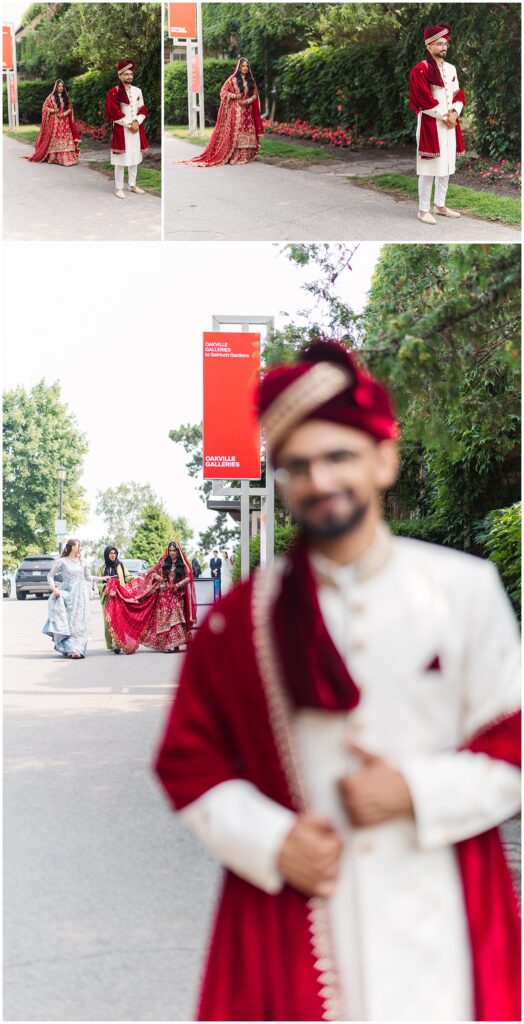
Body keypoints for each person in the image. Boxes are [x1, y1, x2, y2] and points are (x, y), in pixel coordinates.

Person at [154, 340, 521, 1022]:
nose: (319, 479)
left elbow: (515, 744)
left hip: (440, 918)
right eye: (297, 465)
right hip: (298, 921)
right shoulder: (246, 619)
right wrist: (269, 840)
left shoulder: (462, 591)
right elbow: (187, 758)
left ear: (385, 458)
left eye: (339, 456)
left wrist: (413, 789)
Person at [409, 24, 466, 224]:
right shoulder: (420, 69)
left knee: (447, 166)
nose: (444, 47)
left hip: (449, 124)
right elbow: (422, 100)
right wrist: (445, 115)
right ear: (429, 45)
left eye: (445, 44)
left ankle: (440, 205)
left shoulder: (451, 69)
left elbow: (458, 94)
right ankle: (423, 210)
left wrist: (455, 113)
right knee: (428, 169)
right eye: (439, 44)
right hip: (430, 125)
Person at [104, 541, 197, 654]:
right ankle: (168, 644)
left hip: (176, 595)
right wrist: (159, 578)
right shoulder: (163, 562)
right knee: (164, 620)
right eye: (170, 550)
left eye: (174, 550)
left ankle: (174, 644)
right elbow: (151, 572)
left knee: (175, 618)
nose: (172, 553)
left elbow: (189, 578)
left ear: (178, 551)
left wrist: (178, 585)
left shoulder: (182, 564)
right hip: (163, 595)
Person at [185, 58, 264, 167]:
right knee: (238, 130)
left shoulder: (251, 80)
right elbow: (223, 92)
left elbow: (255, 95)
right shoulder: (232, 79)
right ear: (239, 67)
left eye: (247, 66)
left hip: (248, 110)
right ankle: (236, 156)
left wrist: (246, 101)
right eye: (243, 66)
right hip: (236, 111)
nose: (245, 68)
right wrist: (235, 96)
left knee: (247, 129)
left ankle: (246, 155)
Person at [43, 539, 103, 659]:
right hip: (67, 594)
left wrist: (101, 578)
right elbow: (50, 575)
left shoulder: (83, 562)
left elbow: (88, 577)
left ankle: (78, 649)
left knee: (80, 623)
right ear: (72, 547)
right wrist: (54, 589)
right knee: (68, 622)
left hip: (81, 596)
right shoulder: (62, 561)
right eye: (78, 546)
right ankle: (69, 648)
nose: (80, 548)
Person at [105, 60, 149, 199]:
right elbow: (113, 113)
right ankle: (119, 188)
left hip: (136, 129)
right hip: (121, 130)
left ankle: (132, 185)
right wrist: (129, 124)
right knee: (121, 160)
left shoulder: (138, 91)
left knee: (134, 158)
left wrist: (137, 122)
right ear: (119, 76)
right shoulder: (114, 92)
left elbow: (142, 109)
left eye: (131, 74)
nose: (129, 76)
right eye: (126, 74)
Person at [25, 79, 80, 166]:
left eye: (62, 86)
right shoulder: (51, 97)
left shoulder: (66, 97)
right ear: (56, 87)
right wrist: (53, 110)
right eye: (59, 86)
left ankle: (67, 157)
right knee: (56, 139)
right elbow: (44, 108)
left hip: (64, 122)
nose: (61, 88)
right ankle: (55, 158)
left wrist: (64, 114)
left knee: (65, 138)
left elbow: (70, 108)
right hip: (55, 122)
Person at [97, 545, 131, 654]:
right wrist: (105, 588)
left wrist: (135, 579)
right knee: (108, 620)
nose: (113, 555)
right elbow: (98, 582)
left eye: (114, 553)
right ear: (107, 554)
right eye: (111, 553)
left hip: (119, 596)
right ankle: (111, 643)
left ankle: (118, 644)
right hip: (107, 597)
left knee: (119, 619)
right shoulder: (102, 567)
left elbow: (127, 577)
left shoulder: (120, 565)